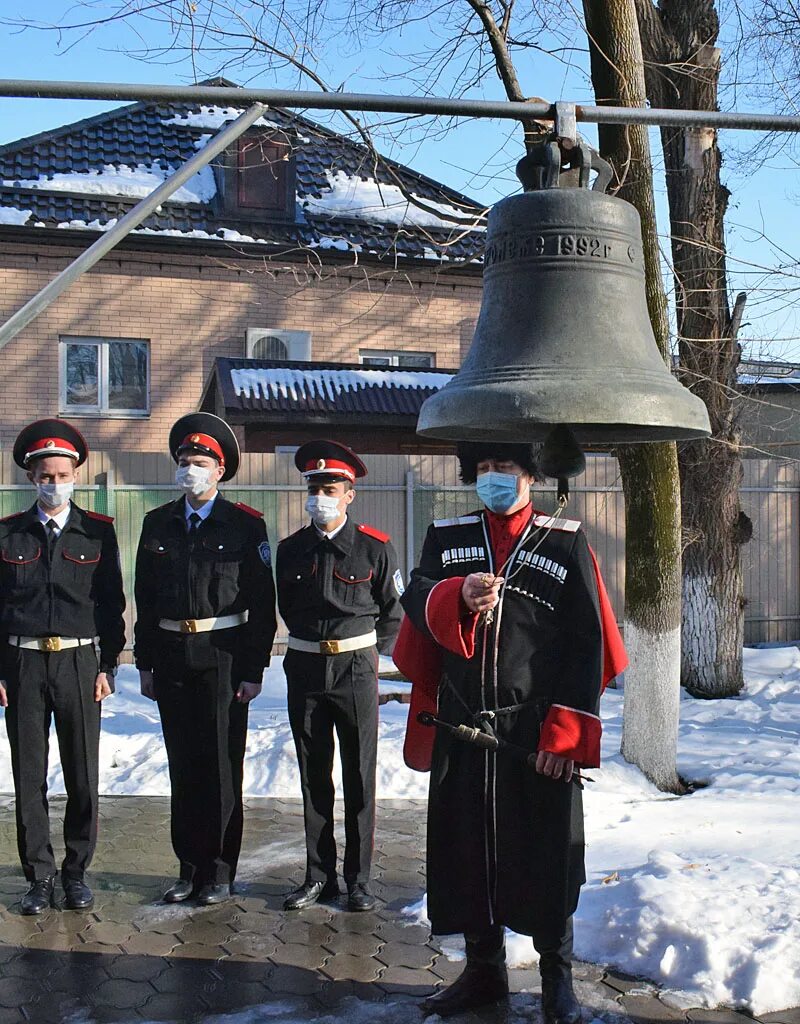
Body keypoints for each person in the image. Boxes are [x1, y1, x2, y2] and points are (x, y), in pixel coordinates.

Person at [394, 441, 627, 1024]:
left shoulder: (565, 539)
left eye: (507, 468)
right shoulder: (448, 537)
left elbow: (587, 644)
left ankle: (557, 982)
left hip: (534, 736)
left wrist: (565, 739)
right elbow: (418, 595)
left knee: (545, 854)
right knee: (466, 851)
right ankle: (483, 972)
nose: (494, 478)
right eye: (485, 469)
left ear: (530, 474)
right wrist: (457, 596)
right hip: (462, 727)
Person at [133, 413, 277, 906]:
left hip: (223, 659)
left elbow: (262, 604)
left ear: (220, 470)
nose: (189, 469)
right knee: (182, 766)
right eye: (183, 461)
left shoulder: (244, 524)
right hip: (172, 656)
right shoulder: (158, 523)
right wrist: (145, 663)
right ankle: (188, 866)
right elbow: (145, 599)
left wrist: (254, 670)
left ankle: (219, 870)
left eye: (199, 462)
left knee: (219, 766)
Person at [0, 419, 125, 915]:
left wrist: (108, 665)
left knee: (81, 773)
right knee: (28, 775)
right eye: (45, 475)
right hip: (23, 663)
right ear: (32, 478)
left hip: (78, 662)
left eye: (62, 474)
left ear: (76, 475)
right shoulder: (8, 533)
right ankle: (38, 875)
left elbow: (111, 604)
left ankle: (75, 872)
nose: (54, 483)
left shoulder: (98, 532)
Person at [276, 440, 403, 912]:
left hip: (354, 670)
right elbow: (287, 608)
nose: (320, 497)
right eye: (314, 488)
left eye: (330, 488)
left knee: (359, 778)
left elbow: (393, 613)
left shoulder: (375, 547)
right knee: (314, 777)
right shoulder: (290, 550)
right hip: (306, 667)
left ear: (350, 494)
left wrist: (370, 658)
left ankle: (360, 881)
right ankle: (317, 876)